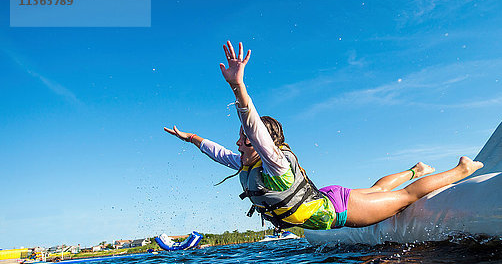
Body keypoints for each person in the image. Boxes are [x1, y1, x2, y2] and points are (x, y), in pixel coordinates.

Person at [164, 41, 483, 231]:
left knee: (405, 198)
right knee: (374, 190)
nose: (239, 143)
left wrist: (237, 86)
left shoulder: (273, 163)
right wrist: (190, 137)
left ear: (263, 144)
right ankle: (418, 168)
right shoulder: (248, 164)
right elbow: (217, 151)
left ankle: (461, 170)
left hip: (336, 211)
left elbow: (253, 125)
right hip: (326, 197)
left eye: (245, 139)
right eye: (240, 139)